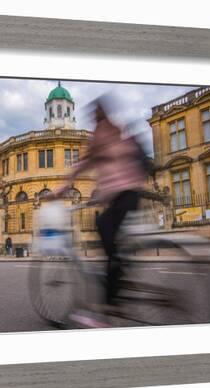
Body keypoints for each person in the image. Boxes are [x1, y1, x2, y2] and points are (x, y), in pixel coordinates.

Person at [50, 97, 147, 321]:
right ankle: (121, 272)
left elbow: (83, 164)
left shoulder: (101, 135)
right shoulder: (118, 130)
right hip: (130, 191)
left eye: (94, 113)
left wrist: (61, 188)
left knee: (105, 233)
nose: (93, 117)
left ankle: (110, 303)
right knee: (114, 238)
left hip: (121, 192)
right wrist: (98, 196)